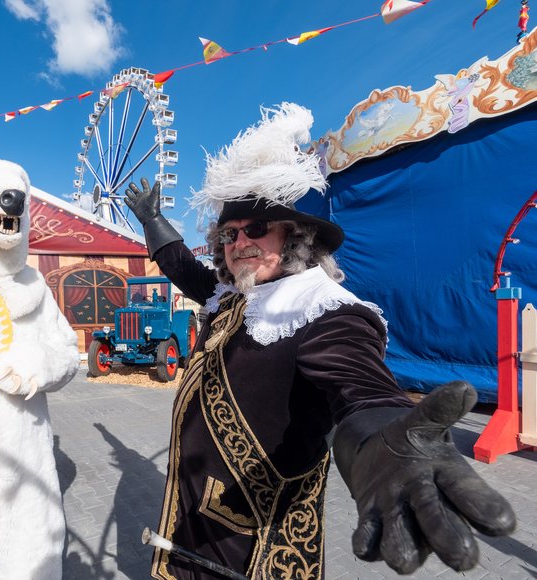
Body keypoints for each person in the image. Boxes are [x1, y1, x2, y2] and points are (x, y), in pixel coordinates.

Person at [124, 103, 516, 579]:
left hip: (254, 544)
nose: (239, 242)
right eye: (228, 233)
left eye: (256, 228)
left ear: (296, 237)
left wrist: (380, 439)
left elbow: (360, 384)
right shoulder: (235, 292)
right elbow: (186, 270)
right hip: (190, 524)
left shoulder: (326, 310)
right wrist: (152, 221)